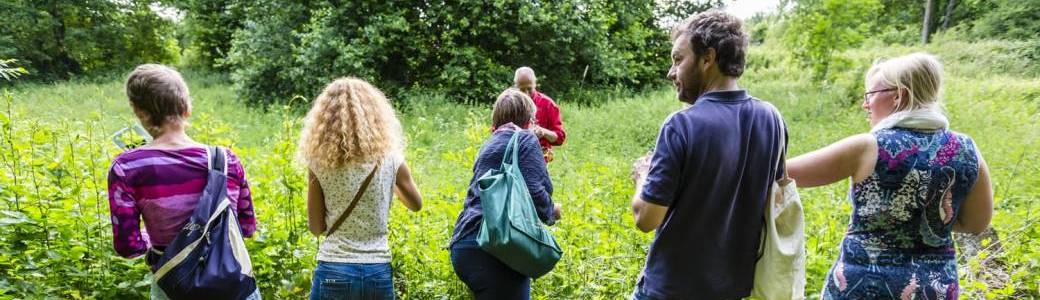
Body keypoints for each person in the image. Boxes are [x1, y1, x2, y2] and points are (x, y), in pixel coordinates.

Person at [787, 53, 993, 299]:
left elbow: (784, 173)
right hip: (933, 289)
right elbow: (976, 224)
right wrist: (929, 223)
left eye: (870, 95)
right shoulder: (966, 150)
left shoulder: (868, 147)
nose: (866, 104)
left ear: (899, 95)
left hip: (860, 286)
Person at [629, 10, 786, 299]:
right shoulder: (772, 119)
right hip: (732, 289)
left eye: (678, 59)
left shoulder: (681, 124)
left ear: (707, 59)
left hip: (671, 289)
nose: (670, 72)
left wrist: (643, 175)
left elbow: (646, 218)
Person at [107, 64, 258, 299]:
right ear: (186, 107)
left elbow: (128, 246)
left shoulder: (127, 167)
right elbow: (246, 228)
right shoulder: (225, 160)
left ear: (139, 111)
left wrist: (162, 241)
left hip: (174, 286)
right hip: (234, 283)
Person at [298, 78, 423, 300]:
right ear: (374, 114)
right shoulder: (391, 160)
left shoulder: (318, 164)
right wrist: (385, 185)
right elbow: (416, 204)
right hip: (377, 269)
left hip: (335, 267)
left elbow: (316, 227)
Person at [449, 88, 562, 300]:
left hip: (465, 243)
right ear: (529, 119)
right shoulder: (525, 139)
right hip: (496, 245)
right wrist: (551, 212)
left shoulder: (489, 144)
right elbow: (536, 191)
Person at [514, 67, 566, 163]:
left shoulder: (548, 104)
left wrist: (543, 132)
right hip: (513, 160)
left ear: (535, 84)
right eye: (522, 90)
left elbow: (560, 138)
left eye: (529, 89)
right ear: (515, 86)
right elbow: (496, 131)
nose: (526, 94)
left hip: (538, 162)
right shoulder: (509, 103)